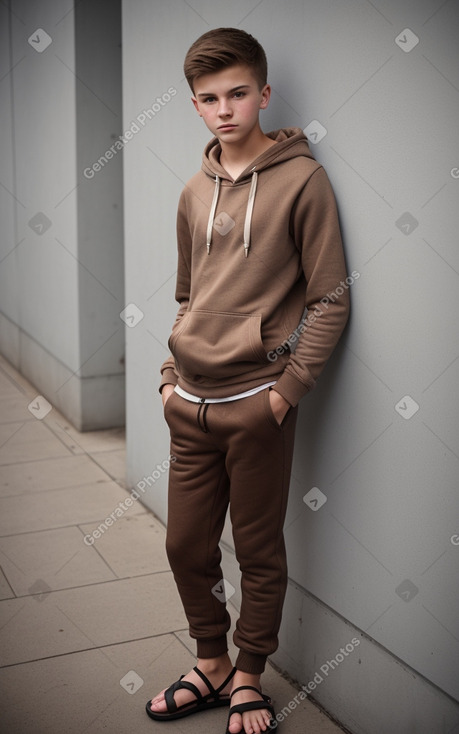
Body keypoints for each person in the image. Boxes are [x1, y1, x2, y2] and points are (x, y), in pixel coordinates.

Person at [146, 27, 350, 734]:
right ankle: (208, 660)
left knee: (256, 546)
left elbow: (329, 298)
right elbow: (187, 296)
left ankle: (249, 673)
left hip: (256, 403)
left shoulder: (303, 181)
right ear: (195, 106)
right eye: (209, 98)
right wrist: (170, 377)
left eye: (238, 94)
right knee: (184, 544)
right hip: (189, 402)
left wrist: (285, 392)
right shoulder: (189, 192)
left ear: (262, 94)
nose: (225, 109)